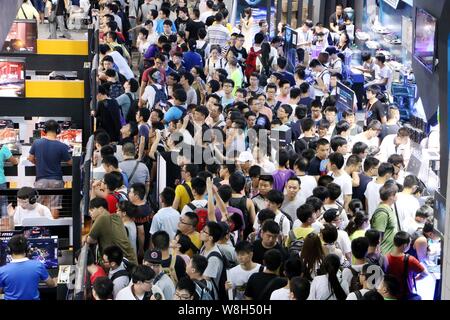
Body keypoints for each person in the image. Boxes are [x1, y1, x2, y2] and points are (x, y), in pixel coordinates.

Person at [27, 119, 71, 218]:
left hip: (40, 180)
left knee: (39, 207)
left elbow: (30, 158)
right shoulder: (62, 146)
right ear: (58, 131)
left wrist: (38, 163)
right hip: (56, 181)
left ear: (44, 130)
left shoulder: (36, 143)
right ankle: (54, 229)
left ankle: (41, 229)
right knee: (55, 206)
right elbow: (70, 162)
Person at [0, 235, 56, 300]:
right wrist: (55, 280)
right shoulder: (38, 265)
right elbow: (51, 284)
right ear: (27, 249)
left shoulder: (2, 270)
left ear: (8, 250)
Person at [85, 198, 138, 264]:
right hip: (130, 260)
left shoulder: (102, 218)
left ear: (101, 209)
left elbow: (89, 240)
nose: (90, 213)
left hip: (122, 264)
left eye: (92, 210)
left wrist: (85, 237)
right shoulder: (117, 217)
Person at [386, 231, 427, 300]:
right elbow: (425, 274)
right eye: (410, 243)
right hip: (405, 294)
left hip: (390, 294)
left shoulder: (386, 257)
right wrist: (415, 280)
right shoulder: (410, 260)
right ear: (405, 245)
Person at [370, 182, 399, 255]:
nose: (397, 196)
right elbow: (378, 234)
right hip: (384, 253)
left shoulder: (388, 208)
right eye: (395, 194)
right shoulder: (382, 213)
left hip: (389, 252)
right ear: (391, 197)